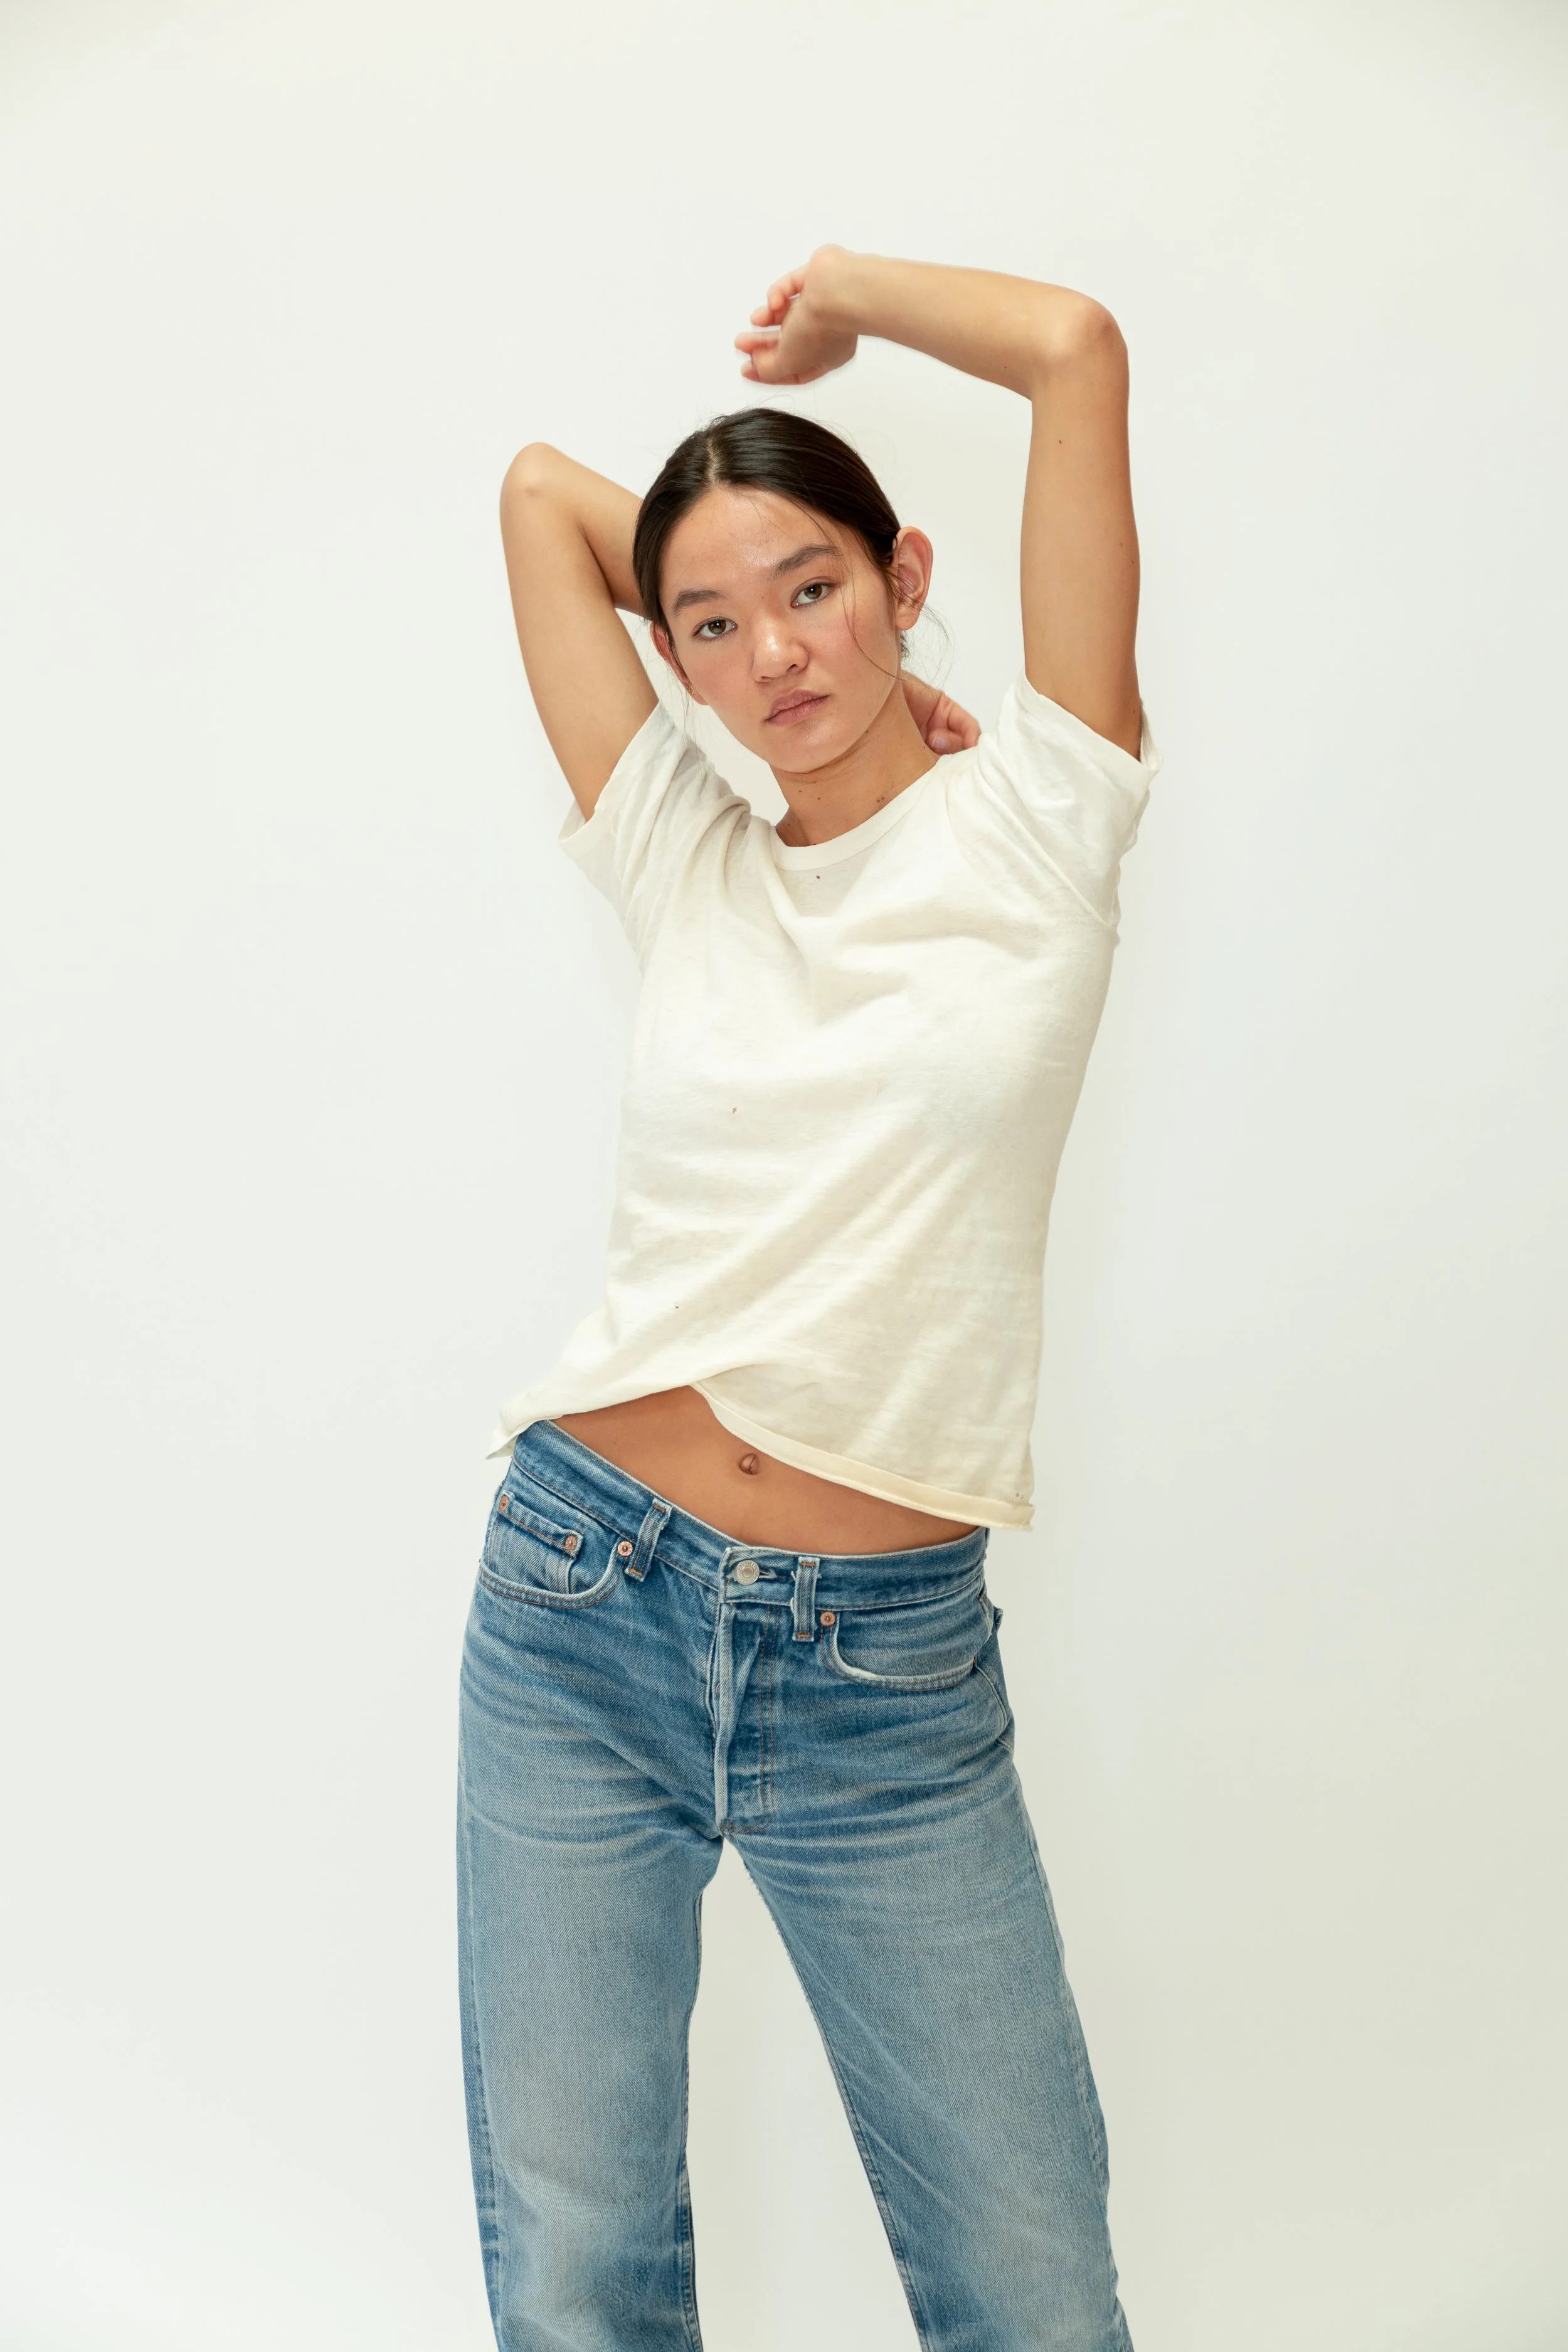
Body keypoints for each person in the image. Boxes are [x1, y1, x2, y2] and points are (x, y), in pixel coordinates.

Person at [458, 245, 1162, 2352]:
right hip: (582, 1603)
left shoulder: (1047, 815)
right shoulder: (685, 849)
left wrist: (839, 299)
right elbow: (530, 496)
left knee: (1031, 2291)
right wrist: (701, 578)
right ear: (666, 653)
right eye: (709, 622)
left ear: (903, 571)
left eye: (815, 589)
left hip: (887, 1680)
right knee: (580, 2274)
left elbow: (1072, 353)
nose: (769, 650)